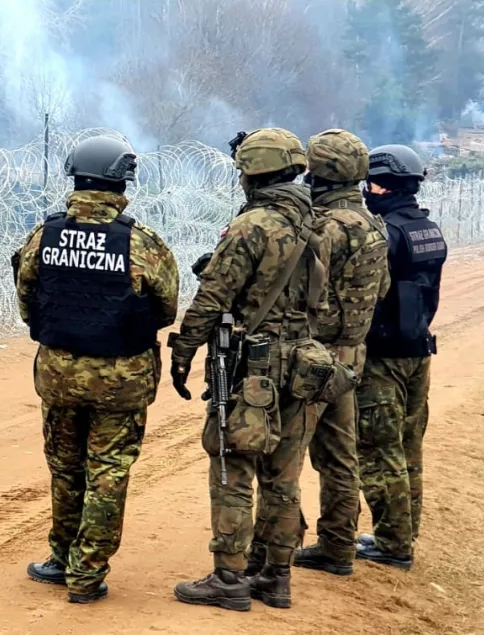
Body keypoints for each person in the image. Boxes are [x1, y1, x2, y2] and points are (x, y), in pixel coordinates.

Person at [14, 135, 179, 604]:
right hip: (122, 377)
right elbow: (166, 308)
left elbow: (28, 301)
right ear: (122, 181)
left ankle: (59, 558)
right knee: (108, 472)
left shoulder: (44, 235)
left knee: (65, 469)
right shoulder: (142, 242)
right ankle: (85, 575)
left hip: (60, 374)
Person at [169, 128, 324, 612]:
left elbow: (213, 298)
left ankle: (229, 578)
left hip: (251, 364)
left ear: (252, 173)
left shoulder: (253, 225)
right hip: (303, 363)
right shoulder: (316, 222)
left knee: (232, 465)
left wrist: (183, 350)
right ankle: (276, 577)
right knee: (284, 476)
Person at [293, 130, 391, 577]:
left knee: (283, 453)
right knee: (340, 457)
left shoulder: (321, 227)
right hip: (352, 356)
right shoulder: (374, 226)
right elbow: (382, 288)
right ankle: (337, 546)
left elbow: (296, 292)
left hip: (311, 358)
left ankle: (276, 547)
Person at [354, 144, 447, 570]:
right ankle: (402, 534)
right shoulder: (427, 229)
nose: (366, 190)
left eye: (370, 183)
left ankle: (392, 544)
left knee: (379, 449)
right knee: (409, 448)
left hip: (384, 356)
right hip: (418, 351)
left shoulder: (385, 234)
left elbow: (363, 293)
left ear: (383, 185)